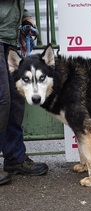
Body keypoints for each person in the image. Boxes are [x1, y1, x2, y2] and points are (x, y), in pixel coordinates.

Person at [0, 0, 48, 185]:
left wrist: (25, 16)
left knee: (14, 99)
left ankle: (15, 157)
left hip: (8, 37)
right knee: (2, 101)